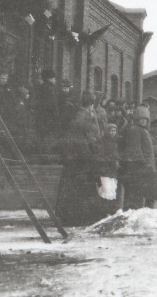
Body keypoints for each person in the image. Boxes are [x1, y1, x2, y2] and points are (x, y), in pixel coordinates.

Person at [55, 91, 104, 226]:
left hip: (74, 157)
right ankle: (81, 217)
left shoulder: (78, 115)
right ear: (91, 104)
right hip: (82, 157)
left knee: (72, 186)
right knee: (83, 187)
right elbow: (92, 137)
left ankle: (68, 216)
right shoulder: (86, 117)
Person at [119, 105, 157, 210]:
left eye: (145, 119)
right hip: (138, 166)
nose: (143, 121)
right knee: (135, 193)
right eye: (141, 118)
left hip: (144, 165)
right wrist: (145, 164)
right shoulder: (135, 130)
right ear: (136, 119)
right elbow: (135, 149)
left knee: (140, 193)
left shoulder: (142, 130)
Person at [35, 68, 60, 137]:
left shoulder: (42, 87)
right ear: (50, 78)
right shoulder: (51, 89)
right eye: (54, 78)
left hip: (41, 117)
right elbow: (53, 105)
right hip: (49, 118)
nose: (55, 80)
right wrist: (56, 118)